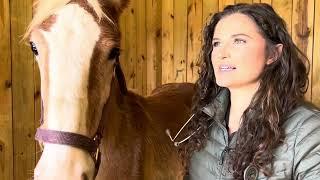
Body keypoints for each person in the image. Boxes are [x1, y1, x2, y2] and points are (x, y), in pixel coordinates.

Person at [175, 3, 320, 180]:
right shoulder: (204, 123)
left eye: (239, 41)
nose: (222, 53)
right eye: (217, 43)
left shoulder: (307, 130)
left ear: (273, 54)